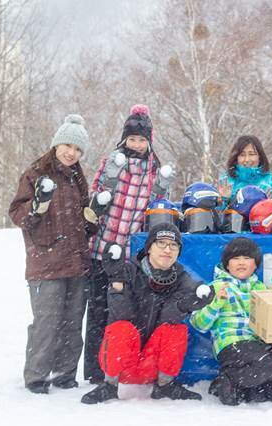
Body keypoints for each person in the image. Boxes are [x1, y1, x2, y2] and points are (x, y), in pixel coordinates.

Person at [9, 114, 97, 394]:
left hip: (77, 261)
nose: (72, 153)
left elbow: (82, 220)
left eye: (78, 149)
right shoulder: (36, 173)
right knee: (46, 322)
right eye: (68, 146)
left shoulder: (77, 177)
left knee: (72, 323)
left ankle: (64, 374)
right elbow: (17, 213)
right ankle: (36, 377)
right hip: (45, 261)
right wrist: (36, 207)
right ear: (57, 144)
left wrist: (93, 218)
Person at [80, 223, 214, 404]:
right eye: (161, 243)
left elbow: (168, 317)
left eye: (173, 245)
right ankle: (109, 386)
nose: (167, 250)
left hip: (152, 367)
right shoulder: (128, 270)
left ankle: (165, 385)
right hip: (124, 366)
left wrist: (186, 304)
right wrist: (116, 280)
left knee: (175, 329)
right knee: (121, 328)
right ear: (149, 247)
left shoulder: (181, 277)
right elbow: (121, 314)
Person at [84, 104, 167, 384]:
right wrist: (102, 195)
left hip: (132, 256)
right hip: (103, 248)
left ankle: (120, 368)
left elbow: (157, 208)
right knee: (97, 312)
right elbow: (95, 197)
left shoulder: (154, 170)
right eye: (132, 139)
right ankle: (95, 372)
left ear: (149, 142)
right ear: (124, 139)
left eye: (142, 140)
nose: (136, 144)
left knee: (124, 314)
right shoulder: (112, 163)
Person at [190, 237, 272, 406]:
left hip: (258, 345)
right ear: (227, 264)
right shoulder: (216, 287)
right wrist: (216, 304)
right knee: (270, 364)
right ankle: (230, 378)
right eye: (235, 258)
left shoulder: (261, 288)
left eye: (247, 258)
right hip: (231, 344)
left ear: (255, 265)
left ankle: (233, 385)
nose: (241, 263)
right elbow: (198, 323)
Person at [218, 135, 272, 206]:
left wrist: (268, 205)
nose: (247, 159)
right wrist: (225, 200)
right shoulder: (226, 182)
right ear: (236, 158)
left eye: (252, 154)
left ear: (259, 156)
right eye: (242, 155)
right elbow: (215, 213)